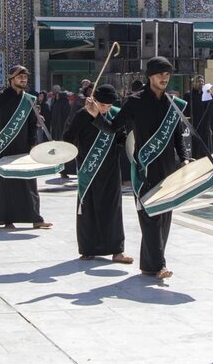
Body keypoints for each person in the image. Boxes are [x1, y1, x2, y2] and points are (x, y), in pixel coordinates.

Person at [88, 56, 189, 278]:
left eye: (167, 74)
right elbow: (113, 128)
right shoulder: (134, 102)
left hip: (168, 169)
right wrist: (96, 116)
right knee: (150, 216)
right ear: (150, 76)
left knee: (163, 218)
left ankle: (149, 265)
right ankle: (160, 265)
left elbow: (177, 136)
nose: (165, 77)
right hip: (145, 168)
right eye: (161, 73)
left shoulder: (172, 103)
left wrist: (184, 158)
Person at [0, 65, 50, 229]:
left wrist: (33, 144)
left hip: (24, 147)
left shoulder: (29, 98)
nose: (23, 80)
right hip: (6, 145)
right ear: (11, 79)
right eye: (20, 77)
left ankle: (36, 219)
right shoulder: (1, 96)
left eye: (25, 77)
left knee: (29, 183)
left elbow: (32, 124)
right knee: (6, 184)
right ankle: (7, 219)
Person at [68, 84, 131, 263]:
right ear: (94, 100)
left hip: (110, 168)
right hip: (89, 167)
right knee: (88, 208)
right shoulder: (82, 114)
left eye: (109, 106)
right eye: (102, 105)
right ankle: (88, 248)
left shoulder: (115, 114)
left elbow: (121, 136)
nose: (105, 109)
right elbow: (69, 136)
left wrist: (117, 148)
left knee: (113, 209)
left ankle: (117, 251)